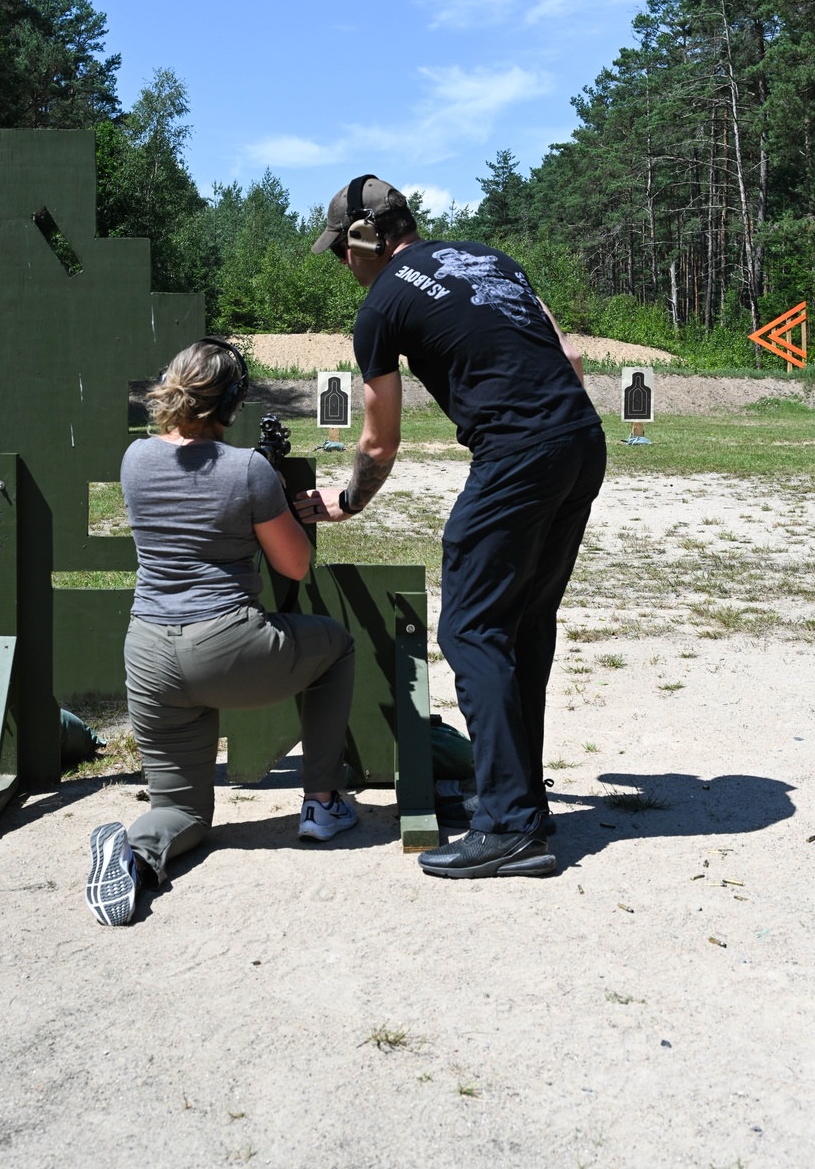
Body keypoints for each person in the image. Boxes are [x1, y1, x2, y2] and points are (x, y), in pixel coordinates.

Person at [294, 177, 606, 881]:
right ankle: (522, 806)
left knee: (472, 630)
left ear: (366, 239)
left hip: (519, 452)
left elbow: (378, 443)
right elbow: (571, 359)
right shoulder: (492, 260)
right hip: (581, 440)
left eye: (344, 250)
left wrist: (347, 501)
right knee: (523, 626)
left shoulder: (382, 304)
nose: (345, 264)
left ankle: (508, 826)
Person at [85, 339, 357, 926]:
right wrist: (279, 499)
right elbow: (294, 566)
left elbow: (191, 494)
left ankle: (135, 853)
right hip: (228, 646)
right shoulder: (249, 469)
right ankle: (322, 802)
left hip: (150, 656)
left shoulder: (135, 460)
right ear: (231, 402)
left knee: (182, 811)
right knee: (336, 646)